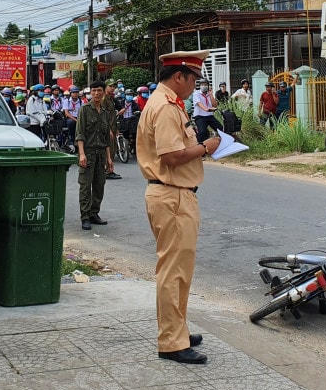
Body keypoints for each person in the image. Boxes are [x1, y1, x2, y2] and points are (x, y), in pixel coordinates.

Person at [136, 51, 221, 365]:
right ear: (179, 77)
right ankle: (172, 342)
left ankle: (177, 331)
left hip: (174, 194)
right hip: (172, 195)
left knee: (179, 272)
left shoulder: (166, 103)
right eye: (193, 79)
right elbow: (171, 156)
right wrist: (205, 147)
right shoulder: (166, 107)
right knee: (173, 273)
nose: (194, 86)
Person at [76, 81, 115, 230]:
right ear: (90, 92)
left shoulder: (104, 112)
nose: (96, 93)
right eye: (94, 91)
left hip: (101, 154)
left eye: (99, 90)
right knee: (85, 186)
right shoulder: (84, 110)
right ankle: (85, 216)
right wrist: (81, 154)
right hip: (88, 153)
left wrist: (109, 158)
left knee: (99, 186)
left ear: (104, 92)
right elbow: (79, 134)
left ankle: (94, 213)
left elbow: (105, 138)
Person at [104, 80, 124, 180]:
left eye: (114, 86)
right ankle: (108, 171)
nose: (113, 88)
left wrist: (115, 128)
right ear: (106, 87)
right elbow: (103, 116)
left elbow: (112, 116)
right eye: (110, 86)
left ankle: (108, 170)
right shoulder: (104, 99)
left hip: (112, 126)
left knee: (112, 150)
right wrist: (108, 129)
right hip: (107, 128)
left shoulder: (111, 98)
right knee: (109, 150)